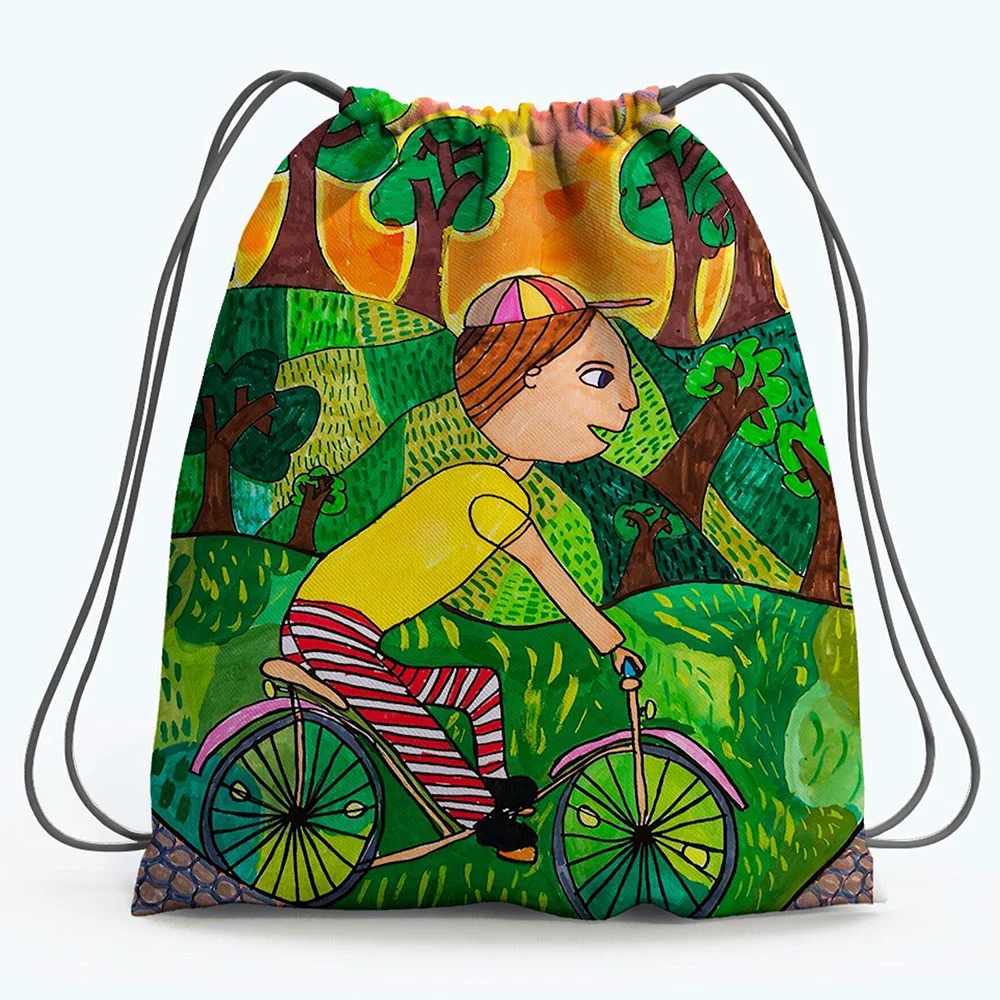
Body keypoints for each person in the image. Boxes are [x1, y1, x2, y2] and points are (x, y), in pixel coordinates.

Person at [280, 275, 650, 863]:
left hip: (345, 629)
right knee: (413, 727)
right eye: (599, 378)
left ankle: (495, 786)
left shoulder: (488, 484)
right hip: (327, 628)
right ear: (530, 378)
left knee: (477, 687)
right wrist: (611, 643)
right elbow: (554, 579)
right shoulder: (490, 495)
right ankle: (483, 817)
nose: (629, 401)